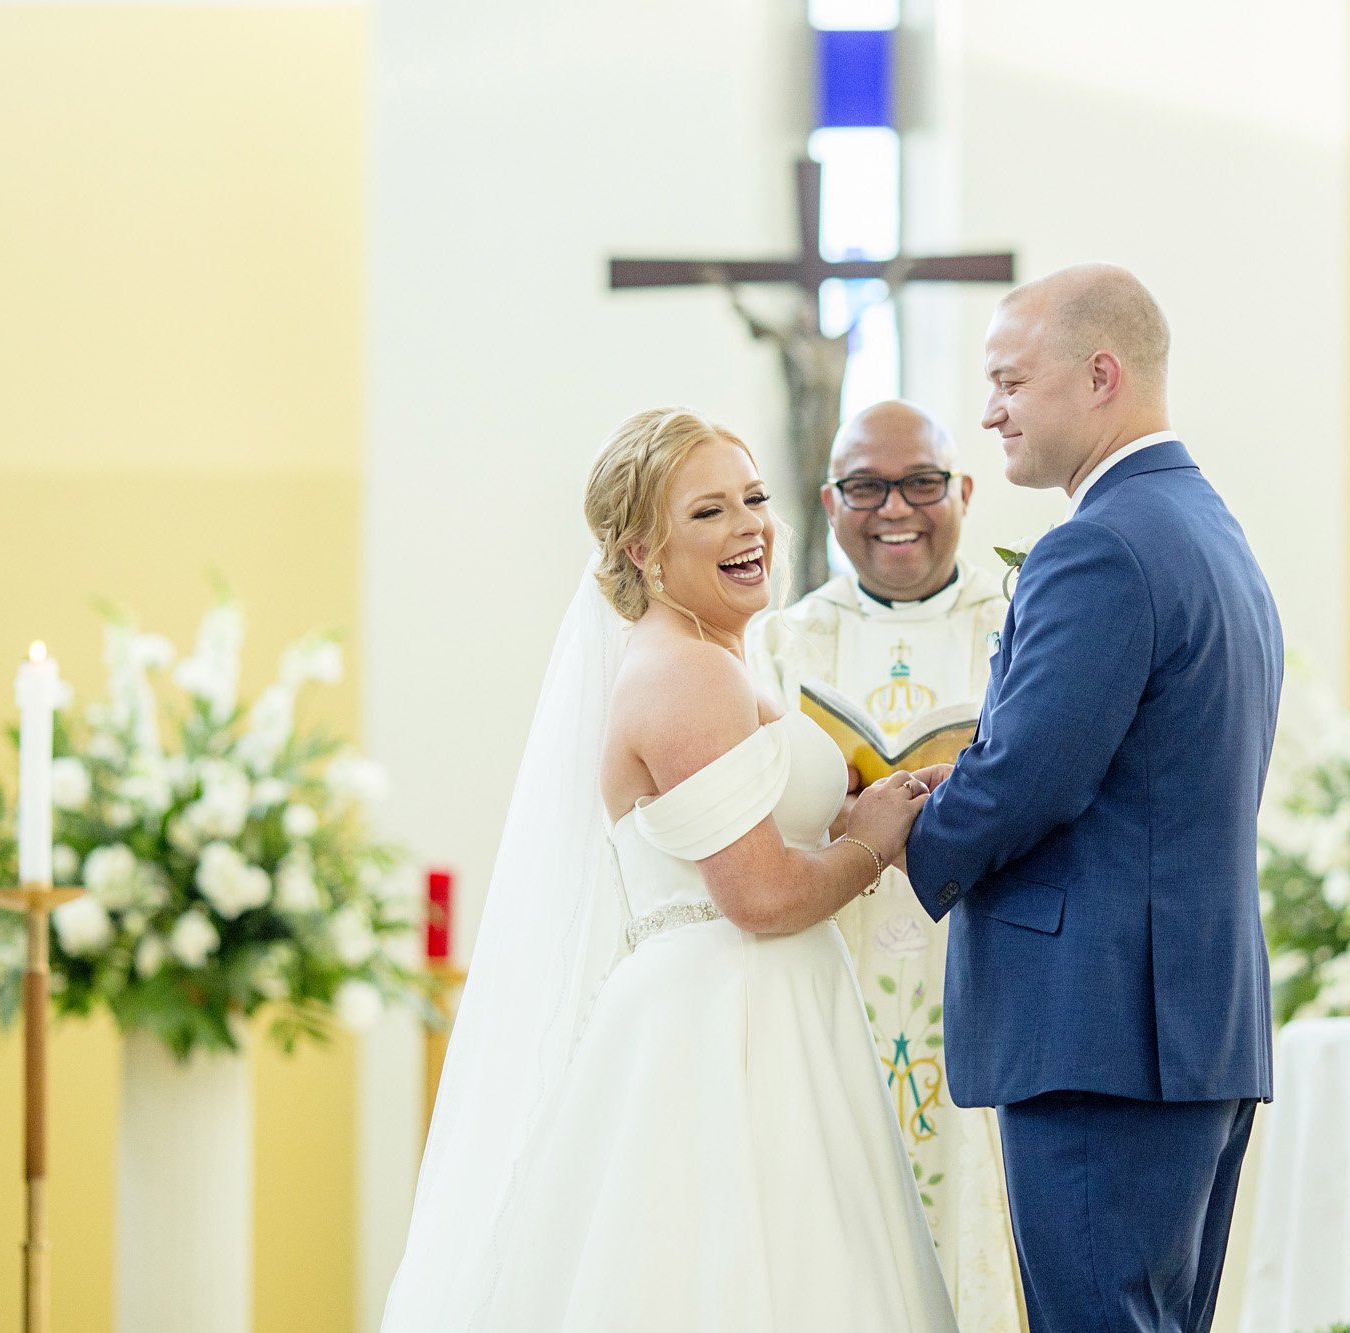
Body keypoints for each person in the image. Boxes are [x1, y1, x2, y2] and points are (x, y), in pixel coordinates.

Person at [382, 408, 959, 1331]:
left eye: (755, 498)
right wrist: (871, 840)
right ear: (644, 550)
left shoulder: (712, 660)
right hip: (723, 1026)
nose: (750, 527)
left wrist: (850, 815)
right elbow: (761, 896)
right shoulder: (686, 674)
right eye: (709, 512)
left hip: (761, 1004)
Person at [903, 264, 1284, 1333]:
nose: (988, 412)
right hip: (1187, 1026)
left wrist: (904, 832)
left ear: (1100, 375)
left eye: (1009, 381)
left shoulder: (1100, 544)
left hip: (1100, 1031)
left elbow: (1033, 774)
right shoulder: (1208, 529)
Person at [746, 399, 1025, 1332]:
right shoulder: (785, 644)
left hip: (983, 975)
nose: (894, 507)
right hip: (833, 979)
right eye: (866, 485)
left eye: (921, 482)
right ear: (830, 502)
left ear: (966, 491)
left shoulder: (1024, 624)